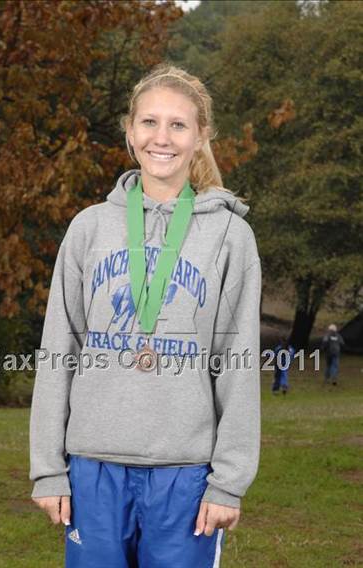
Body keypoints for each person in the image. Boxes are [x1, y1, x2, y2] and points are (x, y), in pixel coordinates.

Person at [29, 63, 262, 568]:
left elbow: (238, 363)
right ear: (130, 133)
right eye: (150, 122)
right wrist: (48, 469)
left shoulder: (229, 237)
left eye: (178, 124)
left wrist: (229, 481)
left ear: (201, 136)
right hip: (93, 469)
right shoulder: (89, 228)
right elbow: (58, 351)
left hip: (186, 474)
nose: (163, 137)